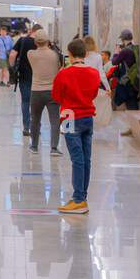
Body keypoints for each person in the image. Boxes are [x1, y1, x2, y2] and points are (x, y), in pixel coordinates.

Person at [52, 38, 101, 214]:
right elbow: (94, 93)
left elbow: (57, 97)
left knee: (76, 159)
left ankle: (78, 200)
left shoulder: (63, 74)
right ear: (86, 54)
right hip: (88, 116)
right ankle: (82, 197)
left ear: (70, 54)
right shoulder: (94, 73)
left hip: (70, 116)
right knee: (86, 159)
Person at [27, 29, 62, 154]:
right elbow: (59, 62)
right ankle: (54, 148)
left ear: (36, 42)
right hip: (52, 91)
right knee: (55, 120)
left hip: (36, 91)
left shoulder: (31, 54)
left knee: (35, 119)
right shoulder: (55, 55)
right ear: (48, 41)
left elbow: (33, 46)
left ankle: (34, 146)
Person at [11, 22, 40, 135]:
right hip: (39, 78)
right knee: (37, 104)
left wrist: (12, 68)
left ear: (32, 31)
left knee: (25, 102)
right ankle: (36, 127)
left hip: (24, 77)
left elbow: (12, 55)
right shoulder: (42, 43)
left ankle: (26, 127)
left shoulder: (22, 41)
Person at [111, 29, 140, 111]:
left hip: (126, 82)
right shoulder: (135, 48)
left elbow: (114, 62)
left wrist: (116, 53)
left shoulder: (125, 51)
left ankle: (131, 122)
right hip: (134, 80)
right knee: (132, 104)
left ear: (123, 40)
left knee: (124, 104)